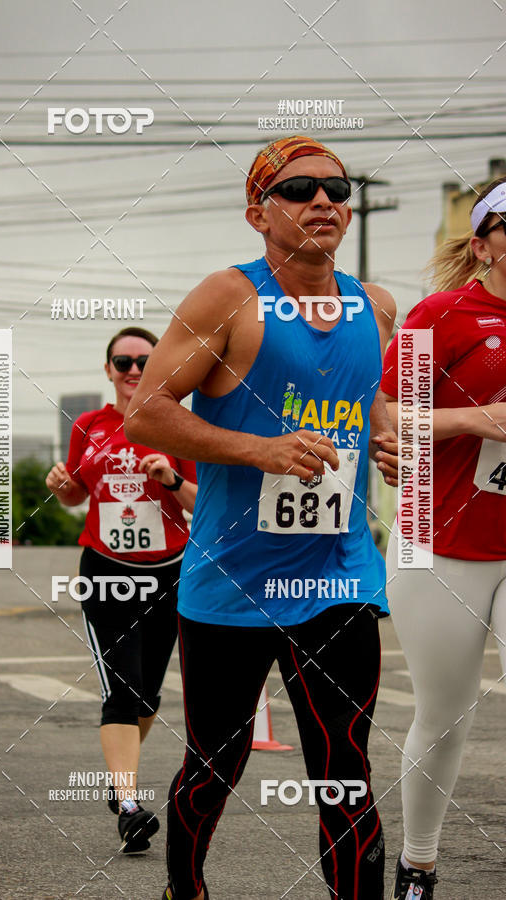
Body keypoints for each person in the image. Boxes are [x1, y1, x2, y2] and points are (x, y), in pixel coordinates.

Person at [125, 136, 398, 900]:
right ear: (258, 212)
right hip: (232, 580)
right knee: (215, 762)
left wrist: (389, 444)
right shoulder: (228, 296)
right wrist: (259, 449)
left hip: (339, 576)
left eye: (337, 191)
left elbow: (369, 407)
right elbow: (145, 416)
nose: (324, 202)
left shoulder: (375, 304)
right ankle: (189, 890)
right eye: (300, 189)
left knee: (346, 766)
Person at [380, 178, 506, 899]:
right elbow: (393, 422)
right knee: (444, 717)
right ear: (484, 242)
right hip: (440, 542)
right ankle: (418, 867)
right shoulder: (442, 314)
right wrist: (476, 421)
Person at [46, 326, 197, 855]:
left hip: (170, 572)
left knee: (148, 695)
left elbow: (205, 505)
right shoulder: (89, 425)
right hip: (105, 570)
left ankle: (118, 780)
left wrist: (173, 480)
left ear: (160, 367)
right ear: (108, 369)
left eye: (143, 361)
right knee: (123, 690)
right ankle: (130, 807)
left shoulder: (179, 423)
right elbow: (74, 496)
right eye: (122, 361)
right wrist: (62, 486)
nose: (133, 370)